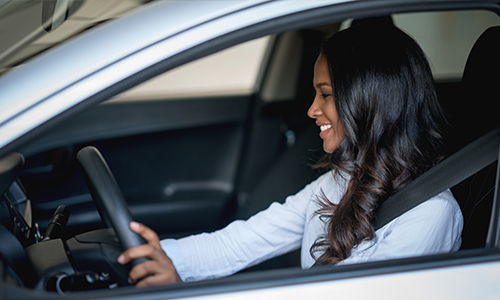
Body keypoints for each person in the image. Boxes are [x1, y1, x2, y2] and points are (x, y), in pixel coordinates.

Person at [117, 24, 463, 287]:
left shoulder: (429, 215)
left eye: (324, 94)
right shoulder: (343, 179)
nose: (312, 110)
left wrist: (183, 290)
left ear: (368, 101)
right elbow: (246, 239)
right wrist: (164, 257)